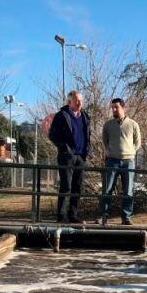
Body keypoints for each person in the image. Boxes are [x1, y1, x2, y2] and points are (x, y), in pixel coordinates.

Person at [48, 90, 90, 223]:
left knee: (77, 187)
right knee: (66, 186)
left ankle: (73, 215)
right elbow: (52, 135)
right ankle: (61, 216)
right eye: (76, 100)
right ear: (69, 101)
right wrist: (64, 147)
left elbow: (88, 135)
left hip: (81, 156)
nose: (79, 103)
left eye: (81, 100)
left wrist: (88, 149)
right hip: (67, 156)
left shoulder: (85, 116)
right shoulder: (62, 115)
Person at [100, 98, 142, 225]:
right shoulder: (108, 125)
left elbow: (138, 142)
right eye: (112, 107)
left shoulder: (133, 124)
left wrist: (131, 152)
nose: (113, 109)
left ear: (123, 108)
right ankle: (104, 216)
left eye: (116, 107)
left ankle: (126, 217)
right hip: (112, 160)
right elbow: (105, 141)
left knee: (128, 190)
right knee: (107, 189)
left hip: (128, 161)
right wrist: (109, 152)